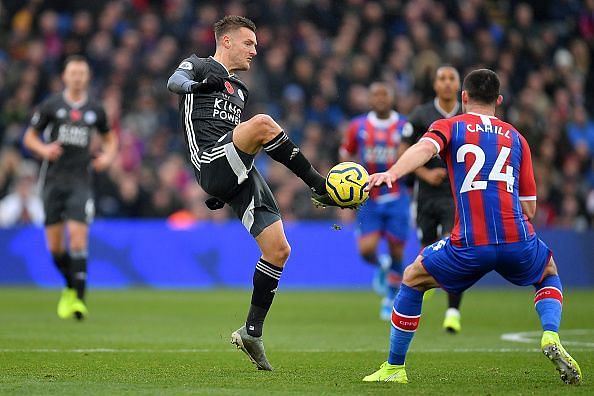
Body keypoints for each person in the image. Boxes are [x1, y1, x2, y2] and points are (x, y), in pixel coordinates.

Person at [362, 69, 581, 385]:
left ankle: (394, 368)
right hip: (516, 238)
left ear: (463, 97)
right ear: (499, 100)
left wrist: (393, 173)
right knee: (548, 273)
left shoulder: (449, 125)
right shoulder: (517, 138)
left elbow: (424, 150)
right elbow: (530, 208)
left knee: (412, 278)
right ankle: (549, 334)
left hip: (469, 242)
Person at [167, 15, 341, 371]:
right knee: (263, 123)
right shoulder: (198, 65)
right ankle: (319, 186)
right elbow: (174, 82)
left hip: (236, 170)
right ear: (226, 41)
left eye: (257, 45)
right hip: (208, 160)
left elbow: (238, 137)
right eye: (249, 43)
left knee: (279, 250)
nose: (255, 50)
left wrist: (228, 185)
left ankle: (251, 332)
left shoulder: (240, 89)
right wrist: (199, 85)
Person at [23, 55, 118, 320]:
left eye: (82, 73)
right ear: (64, 76)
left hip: (80, 181)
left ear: (87, 77)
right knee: (55, 249)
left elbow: (111, 139)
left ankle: (78, 299)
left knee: (78, 237)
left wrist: (108, 158)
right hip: (53, 182)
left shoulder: (95, 109)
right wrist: (43, 148)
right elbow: (29, 136)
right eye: (73, 73)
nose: (77, 77)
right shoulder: (51, 106)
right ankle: (69, 287)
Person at [340, 82, 411, 320]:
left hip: (397, 195)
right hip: (369, 198)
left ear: (392, 98)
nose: (380, 98)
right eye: (375, 95)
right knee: (365, 249)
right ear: (369, 100)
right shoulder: (358, 126)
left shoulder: (404, 126)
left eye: (384, 94)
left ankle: (390, 297)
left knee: (397, 251)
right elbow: (346, 155)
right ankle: (382, 265)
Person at [402, 66, 465, 333]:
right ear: (435, 85)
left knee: (454, 246)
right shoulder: (420, 114)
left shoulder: (467, 117)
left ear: (460, 85)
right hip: (425, 194)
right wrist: (425, 174)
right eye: (442, 79)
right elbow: (403, 151)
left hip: (457, 195)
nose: (447, 83)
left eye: (452, 79)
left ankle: (453, 312)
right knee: (427, 245)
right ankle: (427, 280)